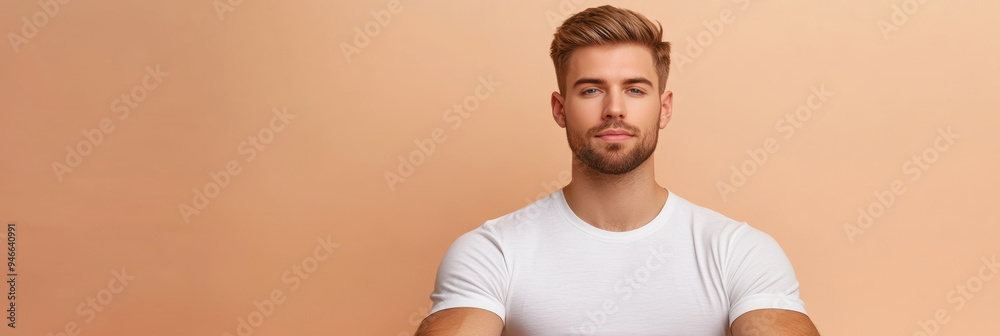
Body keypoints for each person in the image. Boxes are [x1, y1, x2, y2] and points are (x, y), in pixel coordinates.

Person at [415, 5, 820, 336]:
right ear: (560, 109)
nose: (614, 108)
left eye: (635, 89)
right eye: (591, 89)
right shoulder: (493, 251)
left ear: (664, 109)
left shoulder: (738, 251)